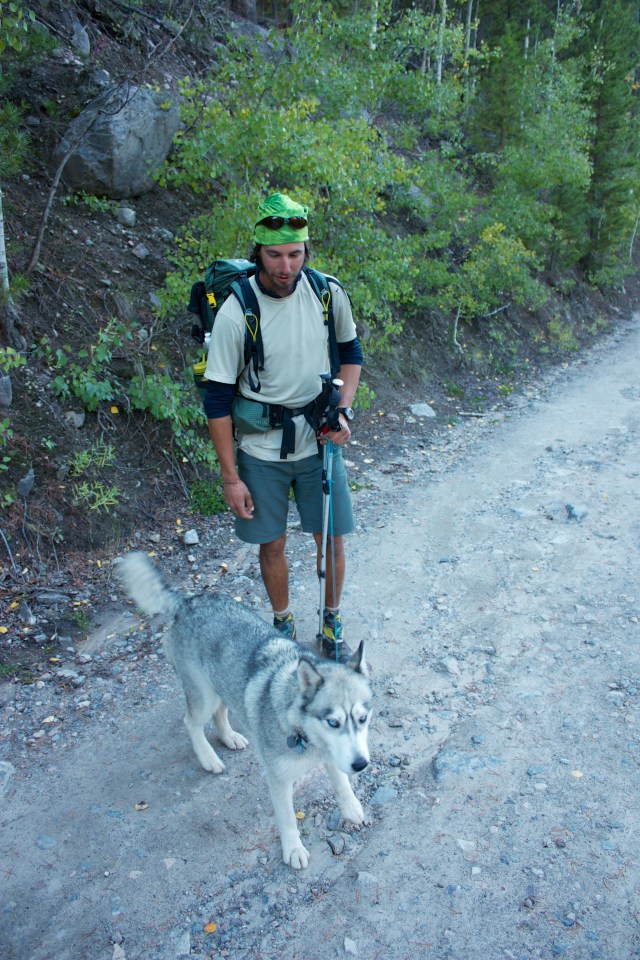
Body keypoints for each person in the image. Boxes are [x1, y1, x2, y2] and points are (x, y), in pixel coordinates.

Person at [202, 193, 363, 661]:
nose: (285, 266)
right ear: (258, 253)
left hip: (320, 440)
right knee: (271, 544)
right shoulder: (238, 311)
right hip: (261, 450)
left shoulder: (327, 293)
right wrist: (230, 480)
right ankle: (283, 626)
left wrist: (343, 410)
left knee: (330, 538)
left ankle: (331, 622)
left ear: (306, 252)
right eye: (274, 254)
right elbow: (216, 400)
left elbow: (351, 353)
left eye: (295, 254)